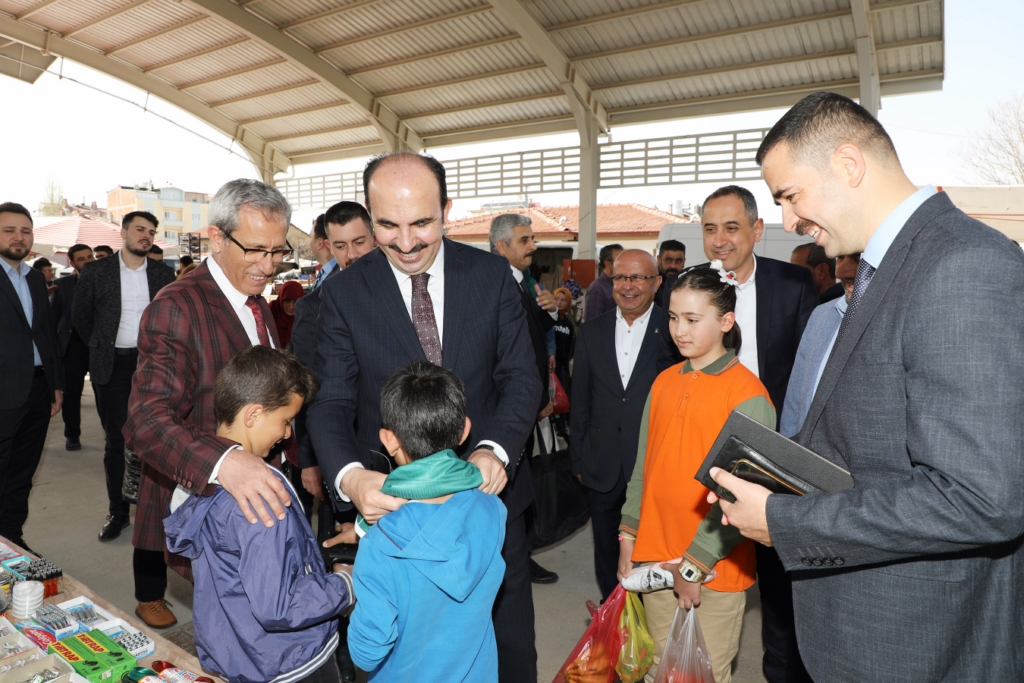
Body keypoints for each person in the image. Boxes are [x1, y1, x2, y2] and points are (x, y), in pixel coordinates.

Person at [710, 90, 1024, 682]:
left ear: (849, 165)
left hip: (921, 645)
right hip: (866, 634)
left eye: (791, 196)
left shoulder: (962, 265)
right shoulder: (888, 269)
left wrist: (784, 522)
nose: (788, 221)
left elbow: (982, 499)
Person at [307, 152, 541, 683]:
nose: (407, 242)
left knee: (509, 646)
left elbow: (522, 377)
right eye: (388, 225)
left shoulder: (489, 275)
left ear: (447, 210)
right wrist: (350, 477)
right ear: (369, 216)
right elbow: (332, 401)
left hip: (491, 501)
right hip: (396, 513)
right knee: (404, 656)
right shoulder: (343, 293)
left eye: (422, 224)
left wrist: (495, 449)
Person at [656, 185, 817, 683]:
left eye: (731, 227)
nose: (720, 239)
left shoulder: (793, 284)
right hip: (703, 442)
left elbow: (809, 373)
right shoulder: (684, 288)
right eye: (709, 228)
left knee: (776, 583)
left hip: (776, 451)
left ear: (756, 230)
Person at [124, 180, 295, 631]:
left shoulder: (253, 299)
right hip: (213, 499)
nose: (269, 265)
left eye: (279, 251)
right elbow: (147, 421)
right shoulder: (178, 305)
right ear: (217, 237)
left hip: (257, 497)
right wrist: (225, 463)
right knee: (235, 634)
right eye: (256, 250)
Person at [620, 264, 775, 683]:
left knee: (701, 674)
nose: (679, 330)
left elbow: (740, 499)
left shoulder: (748, 397)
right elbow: (643, 471)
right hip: (655, 558)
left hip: (713, 572)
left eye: (692, 319)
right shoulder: (663, 383)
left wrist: (693, 567)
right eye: (672, 317)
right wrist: (628, 540)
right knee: (656, 670)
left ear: (726, 321)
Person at [163, 345, 353, 683]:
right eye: (285, 421)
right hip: (291, 662)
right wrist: (345, 584)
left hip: (236, 653)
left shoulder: (201, 477)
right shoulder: (262, 498)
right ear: (252, 415)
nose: (287, 433)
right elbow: (279, 607)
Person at [348, 361, 507, 682]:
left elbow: (366, 653)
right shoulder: (493, 508)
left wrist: (353, 582)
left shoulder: (381, 546)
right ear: (464, 430)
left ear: (388, 440)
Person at [289, 200, 376, 683]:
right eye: (339, 246)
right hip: (339, 455)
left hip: (401, 459)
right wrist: (310, 459)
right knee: (343, 558)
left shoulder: (407, 292)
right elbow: (305, 389)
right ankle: (343, 664)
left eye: (360, 243)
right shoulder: (313, 306)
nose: (351, 255)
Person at [72, 211, 176, 547]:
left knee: (157, 439)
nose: (146, 236)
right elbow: (81, 317)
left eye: (151, 231)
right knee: (116, 442)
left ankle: (158, 510)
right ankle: (118, 512)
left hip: (153, 365)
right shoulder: (96, 271)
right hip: (111, 366)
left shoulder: (163, 273)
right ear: (124, 233)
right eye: (140, 229)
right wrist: (101, 345)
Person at [570, 249, 662, 600]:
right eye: (621, 277)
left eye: (638, 277)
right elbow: (581, 400)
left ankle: (648, 617)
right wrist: (578, 459)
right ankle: (614, 623)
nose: (628, 286)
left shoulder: (672, 331)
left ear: (656, 283)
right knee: (606, 550)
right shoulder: (591, 332)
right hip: (601, 464)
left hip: (651, 464)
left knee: (650, 548)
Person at [488, 212, 559, 585]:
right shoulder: (492, 285)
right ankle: (513, 556)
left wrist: (551, 308)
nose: (533, 246)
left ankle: (520, 553)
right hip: (507, 406)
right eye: (524, 240)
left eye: (532, 239)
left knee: (521, 481)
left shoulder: (525, 282)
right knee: (510, 484)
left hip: (527, 399)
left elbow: (536, 337)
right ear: (501, 247)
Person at [0, 202, 63, 555]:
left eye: (25, 230)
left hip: (38, 389)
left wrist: (56, 385)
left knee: (23, 470)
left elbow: (46, 335)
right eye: (9, 230)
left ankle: (11, 537)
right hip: (4, 389)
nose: (18, 237)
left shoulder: (37, 278)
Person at [779, 253, 859, 437]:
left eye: (856, 259)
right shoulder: (821, 315)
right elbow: (795, 401)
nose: (840, 271)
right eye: (840, 258)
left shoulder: (901, 320)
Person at [50, 244, 96, 451]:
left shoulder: (105, 283)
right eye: (81, 258)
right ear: (72, 262)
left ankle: (112, 433)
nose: (87, 261)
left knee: (105, 394)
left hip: (97, 346)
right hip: (71, 347)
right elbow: (53, 319)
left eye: (90, 256)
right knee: (71, 394)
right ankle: (72, 435)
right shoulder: (62, 286)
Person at [583, 243, 623, 321]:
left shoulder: (619, 284)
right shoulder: (597, 289)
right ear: (607, 264)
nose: (623, 264)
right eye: (619, 260)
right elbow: (591, 322)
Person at [551, 286, 575, 393]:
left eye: (563, 300)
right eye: (557, 299)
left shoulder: (568, 324)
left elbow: (570, 344)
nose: (559, 302)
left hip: (562, 366)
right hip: (550, 364)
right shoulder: (549, 318)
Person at [270, 280, 303, 349]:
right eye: (287, 301)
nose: (291, 306)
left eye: (296, 301)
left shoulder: (306, 318)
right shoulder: (270, 313)